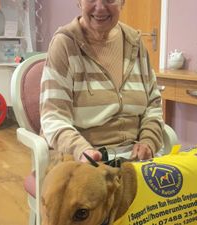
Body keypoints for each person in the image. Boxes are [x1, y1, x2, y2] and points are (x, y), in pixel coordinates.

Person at [40, 0, 164, 162]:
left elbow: (153, 105)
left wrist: (148, 141)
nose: (99, 7)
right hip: (82, 158)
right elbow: (53, 117)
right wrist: (82, 150)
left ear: (122, 2)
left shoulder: (134, 42)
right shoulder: (64, 44)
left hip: (136, 159)